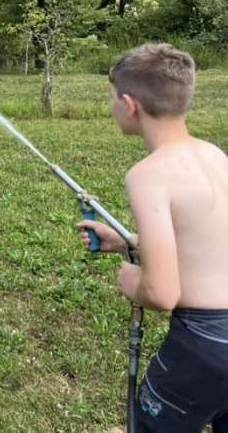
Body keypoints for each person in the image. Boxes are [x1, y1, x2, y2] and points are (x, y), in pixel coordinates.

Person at [77, 44, 228, 431]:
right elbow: (202, 241)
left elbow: (162, 293)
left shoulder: (148, 174)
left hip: (205, 344)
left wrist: (134, 282)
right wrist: (125, 239)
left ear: (130, 105)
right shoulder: (214, 155)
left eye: (111, 98)